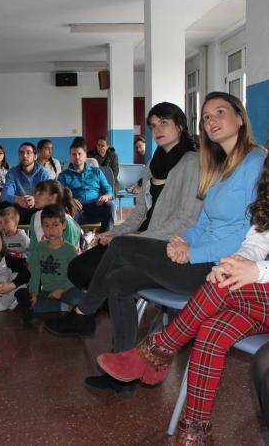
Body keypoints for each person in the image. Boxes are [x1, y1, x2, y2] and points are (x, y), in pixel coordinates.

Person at [47, 92, 266, 396]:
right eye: (206, 116)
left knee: (121, 247)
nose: (211, 120)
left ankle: (84, 314)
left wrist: (192, 250)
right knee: (117, 279)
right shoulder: (219, 164)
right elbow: (201, 222)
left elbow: (248, 232)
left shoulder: (255, 161)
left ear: (240, 118)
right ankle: (122, 378)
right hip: (193, 254)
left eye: (220, 112)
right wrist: (183, 241)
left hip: (215, 269)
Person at [97, 154, 269, 445]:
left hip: (260, 289)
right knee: (212, 331)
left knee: (223, 284)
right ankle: (195, 430)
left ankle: (157, 350)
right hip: (259, 298)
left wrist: (257, 270)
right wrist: (238, 263)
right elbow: (257, 241)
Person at [61, 102, 202, 293]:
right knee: (77, 268)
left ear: (180, 125)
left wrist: (133, 238)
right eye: (152, 125)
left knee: (92, 272)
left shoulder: (193, 162)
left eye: (163, 122)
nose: (156, 129)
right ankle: (100, 306)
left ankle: (91, 310)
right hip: (141, 237)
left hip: (166, 244)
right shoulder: (153, 164)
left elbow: (186, 220)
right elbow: (140, 213)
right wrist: (116, 232)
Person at [29, 204, 84, 313]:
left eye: (55, 225)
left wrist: (62, 289)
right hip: (48, 292)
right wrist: (34, 292)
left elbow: (75, 276)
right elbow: (35, 271)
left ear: (63, 225)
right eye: (46, 226)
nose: (51, 230)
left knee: (77, 298)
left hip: (68, 289)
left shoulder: (70, 250)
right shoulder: (40, 247)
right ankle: (63, 307)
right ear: (42, 227)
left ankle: (67, 305)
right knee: (34, 307)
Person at [58, 139, 115, 232]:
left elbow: (109, 190)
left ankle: (104, 238)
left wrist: (106, 196)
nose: (76, 157)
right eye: (73, 154)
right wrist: (70, 200)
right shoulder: (63, 175)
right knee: (65, 211)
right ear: (70, 157)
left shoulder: (96, 172)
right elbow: (59, 196)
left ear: (85, 156)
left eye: (79, 154)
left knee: (110, 206)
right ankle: (76, 242)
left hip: (96, 207)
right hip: (75, 210)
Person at [27, 180, 80, 262]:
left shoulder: (66, 221)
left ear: (53, 197)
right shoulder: (35, 217)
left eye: (40, 193)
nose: (35, 196)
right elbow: (33, 248)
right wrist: (30, 265)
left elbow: (69, 255)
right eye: (35, 193)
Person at [0, 142, 51, 224]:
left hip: (38, 208)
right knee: (4, 205)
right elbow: (5, 195)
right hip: (19, 208)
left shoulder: (44, 174)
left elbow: (49, 196)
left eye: (28, 152)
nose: (24, 155)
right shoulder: (12, 173)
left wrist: (35, 199)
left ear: (35, 156)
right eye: (21, 152)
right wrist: (19, 199)